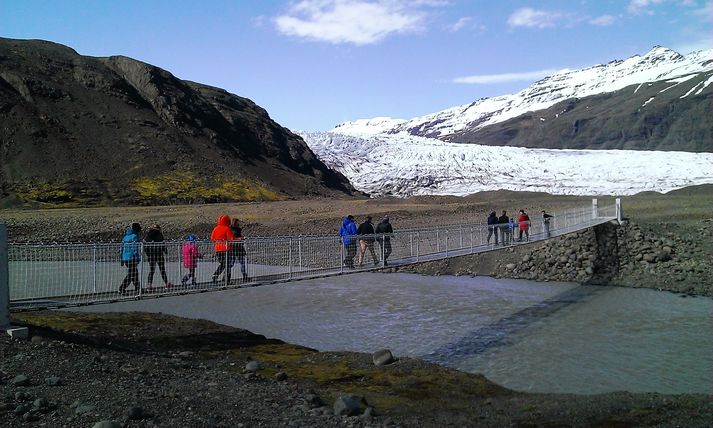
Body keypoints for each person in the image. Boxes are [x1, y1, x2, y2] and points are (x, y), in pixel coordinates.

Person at [144, 224, 172, 290]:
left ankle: (149, 285)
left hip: (151, 255)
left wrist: (148, 253)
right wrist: (165, 251)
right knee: (162, 270)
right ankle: (166, 283)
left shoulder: (148, 235)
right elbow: (163, 244)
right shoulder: (160, 235)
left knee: (151, 271)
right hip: (159, 254)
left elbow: (145, 245)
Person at [210, 214, 235, 285]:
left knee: (223, 263)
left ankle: (216, 275)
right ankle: (227, 280)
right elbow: (231, 239)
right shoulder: (227, 229)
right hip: (226, 249)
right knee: (227, 264)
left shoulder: (215, 229)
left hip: (218, 249)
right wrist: (239, 239)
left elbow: (212, 238)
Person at [119, 222, 142, 293]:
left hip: (125, 258)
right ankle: (122, 288)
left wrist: (121, 258)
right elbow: (135, 248)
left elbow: (121, 248)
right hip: (132, 257)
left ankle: (137, 288)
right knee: (132, 274)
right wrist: (137, 257)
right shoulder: (135, 236)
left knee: (133, 272)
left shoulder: (125, 237)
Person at [229, 218, 249, 282]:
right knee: (241, 263)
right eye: (238, 222)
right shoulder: (235, 230)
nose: (239, 223)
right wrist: (241, 238)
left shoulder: (231, 229)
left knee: (232, 263)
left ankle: (226, 276)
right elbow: (235, 238)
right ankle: (244, 276)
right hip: (237, 248)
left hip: (234, 248)